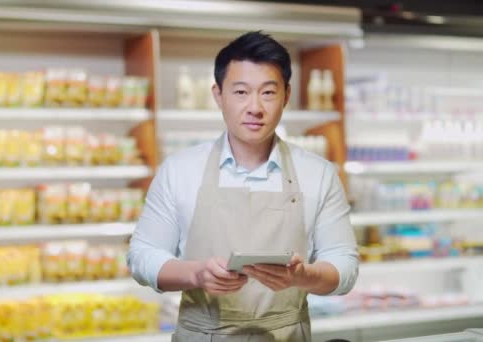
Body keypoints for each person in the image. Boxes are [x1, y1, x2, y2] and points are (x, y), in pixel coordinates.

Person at [128, 31, 358, 341]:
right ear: (218, 95)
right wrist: (196, 274)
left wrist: (303, 276)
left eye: (267, 92)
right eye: (240, 92)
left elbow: (344, 265)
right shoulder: (179, 171)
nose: (254, 107)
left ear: (286, 96)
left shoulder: (318, 173)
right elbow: (142, 256)